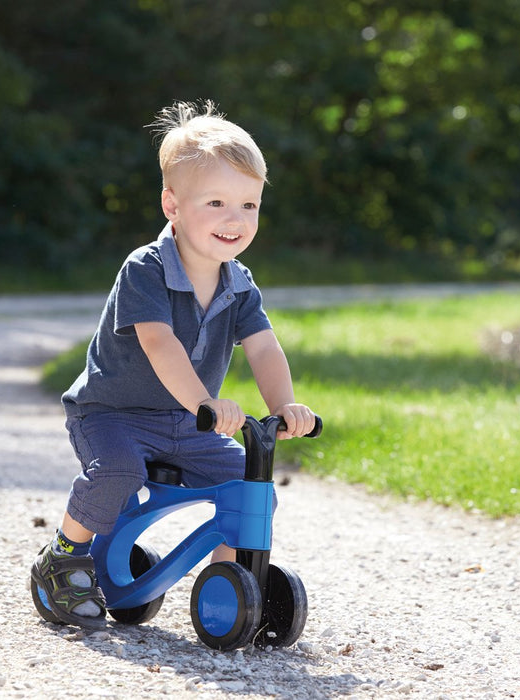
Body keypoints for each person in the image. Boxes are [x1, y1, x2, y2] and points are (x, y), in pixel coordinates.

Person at [30, 100, 316, 629]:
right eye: (216, 202)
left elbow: (263, 348)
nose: (235, 219)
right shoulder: (146, 269)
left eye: (249, 205)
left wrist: (285, 406)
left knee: (248, 483)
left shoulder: (239, 282)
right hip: (113, 414)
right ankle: (63, 557)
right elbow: (160, 344)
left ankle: (232, 585)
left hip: (187, 422)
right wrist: (205, 401)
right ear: (172, 205)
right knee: (117, 470)